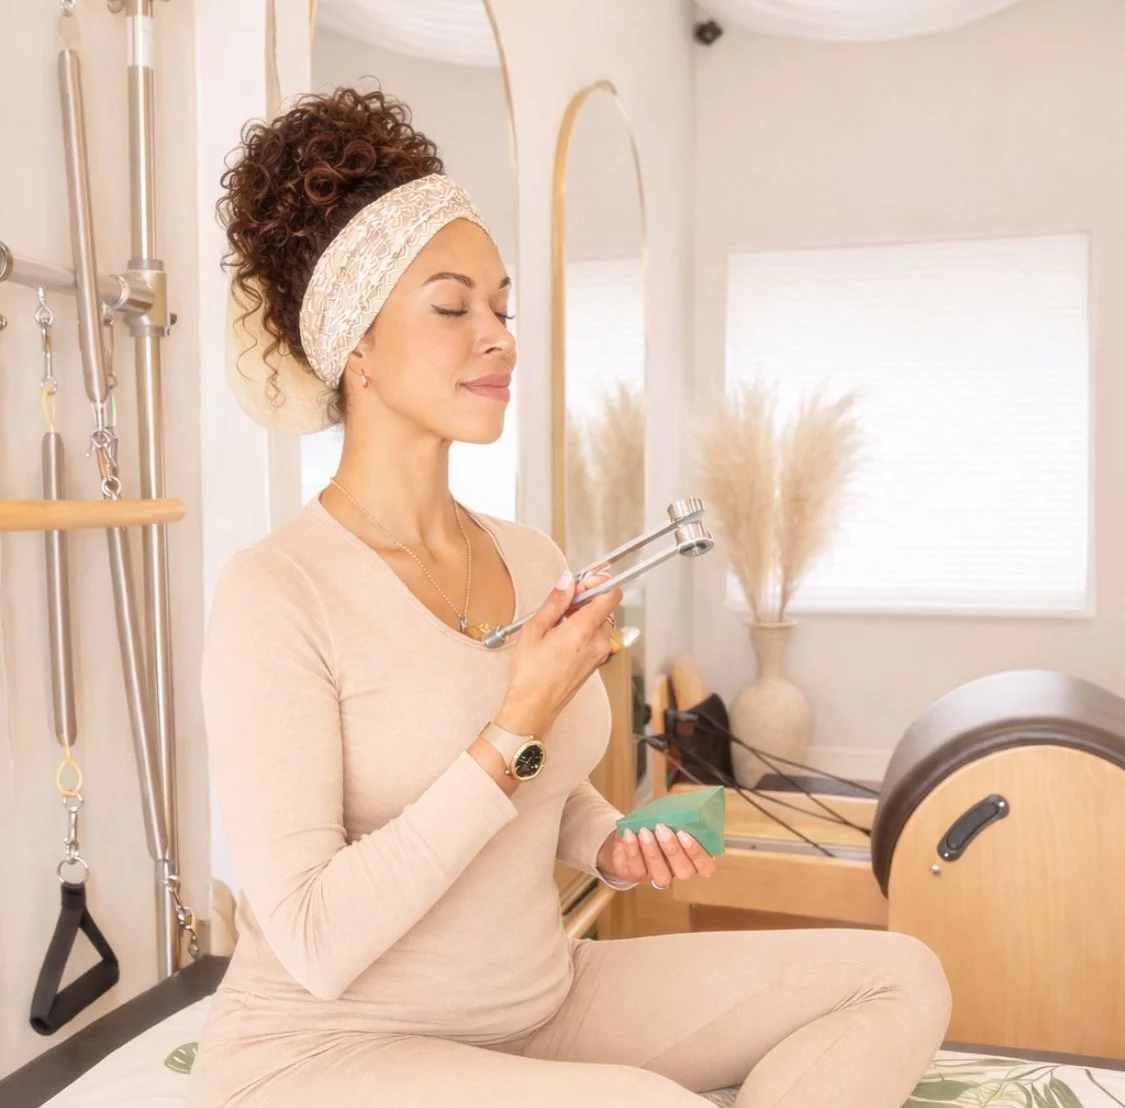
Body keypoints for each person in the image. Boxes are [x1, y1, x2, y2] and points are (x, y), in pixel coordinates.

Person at [190, 86, 951, 1107]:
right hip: (329, 1048)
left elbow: (544, 793)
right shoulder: (274, 594)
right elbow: (318, 938)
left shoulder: (527, 551)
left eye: (501, 305)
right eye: (452, 307)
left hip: (536, 1006)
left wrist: (604, 838)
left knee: (898, 974)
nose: (498, 335)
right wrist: (514, 723)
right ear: (353, 349)